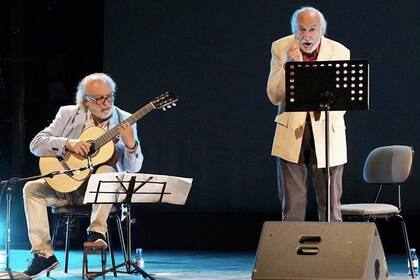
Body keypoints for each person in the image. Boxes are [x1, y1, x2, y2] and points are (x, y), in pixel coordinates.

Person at [22, 73, 144, 277]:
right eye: (100, 98)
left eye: (110, 96)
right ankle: (44, 256)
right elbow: (36, 144)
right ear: (87, 101)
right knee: (31, 188)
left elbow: (134, 168)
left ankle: (97, 232)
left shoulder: (124, 119)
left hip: (103, 197)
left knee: (107, 170)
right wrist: (68, 144)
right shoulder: (68, 114)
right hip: (67, 188)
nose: (107, 103)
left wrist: (131, 145)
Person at [266, 7, 350, 222]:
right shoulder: (280, 47)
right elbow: (274, 95)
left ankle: (333, 254)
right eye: (301, 30)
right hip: (292, 132)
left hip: (327, 133)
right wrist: (290, 67)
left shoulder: (339, 51)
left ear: (322, 30)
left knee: (331, 207)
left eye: (312, 29)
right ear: (294, 30)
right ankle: (291, 254)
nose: (306, 36)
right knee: (292, 206)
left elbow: (343, 102)